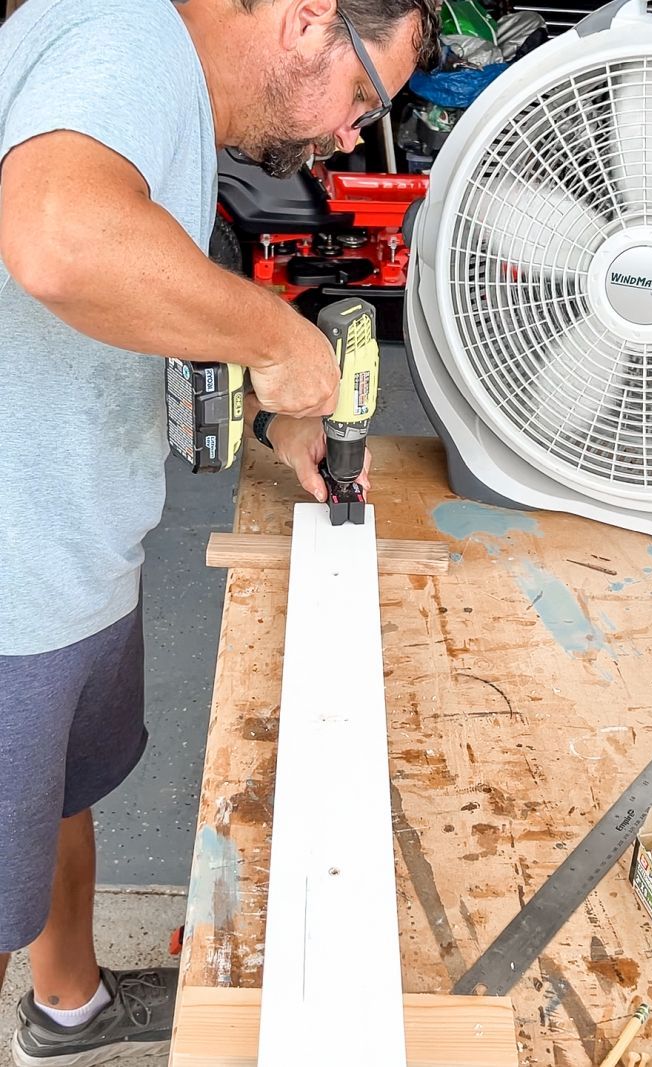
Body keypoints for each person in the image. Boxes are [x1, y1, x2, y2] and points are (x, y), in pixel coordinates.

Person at [0, 0, 439, 1061]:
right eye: (364, 99)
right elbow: (58, 241)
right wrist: (275, 331)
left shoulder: (158, 82)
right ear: (305, 23)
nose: (349, 135)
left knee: (63, 793)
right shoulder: (129, 39)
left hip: (69, 557)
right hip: (12, 587)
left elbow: (135, 296)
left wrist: (265, 405)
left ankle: (69, 1006)